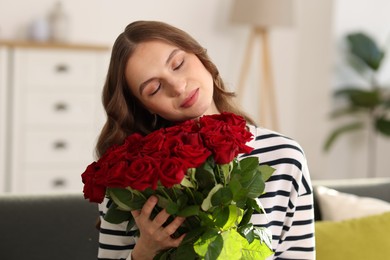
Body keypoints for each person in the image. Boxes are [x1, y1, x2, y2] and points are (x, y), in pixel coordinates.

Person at [96, 20, 315, 260]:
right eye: (155, 88)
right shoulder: (128, 177)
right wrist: (145, 252)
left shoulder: (284, 157)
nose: (178, 87)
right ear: (146, 108)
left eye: (178, 64)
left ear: (200, 56)